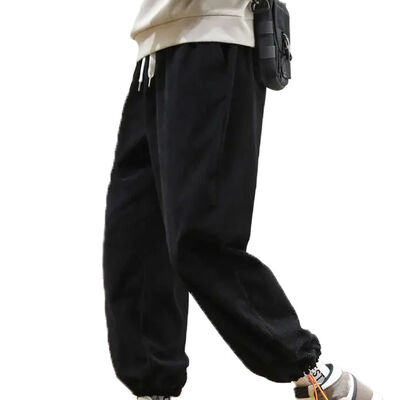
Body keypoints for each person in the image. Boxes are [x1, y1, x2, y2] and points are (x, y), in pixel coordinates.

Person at [103, 1, 379, 399]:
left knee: (200, 238)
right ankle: (153, 387)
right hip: (156, 48)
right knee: (135, 238)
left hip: (211, 37)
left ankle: (313, 374)